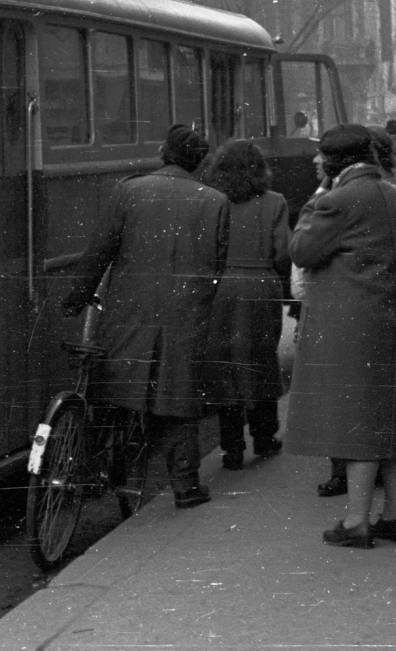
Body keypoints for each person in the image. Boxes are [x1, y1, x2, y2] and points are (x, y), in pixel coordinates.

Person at [62, 125, 228, 509]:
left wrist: (76, 298)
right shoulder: (216, 201)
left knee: (113, 389)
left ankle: (92, 474)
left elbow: (100, 251)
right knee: (177, 396)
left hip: (127, 313)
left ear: (162, 153)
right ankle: (185, 488)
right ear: (200, 161)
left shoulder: (129, 190)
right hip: (184, 315)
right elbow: (215, 268)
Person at [286, 124, 396, 548]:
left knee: (357, 422)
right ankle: (395, 516)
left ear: (332, 160)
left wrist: (316, 198)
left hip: (352, 328)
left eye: (320, 156)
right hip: (395, 322)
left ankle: (356, 522)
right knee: (393, 417)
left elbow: (301, 251)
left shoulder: (336, 201)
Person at [201, 140, 291, 470]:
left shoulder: (213, 200)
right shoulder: (275, 202)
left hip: (222, 287)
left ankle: (232, 448)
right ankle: (265, 437)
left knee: (226, 364)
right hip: (262, 286)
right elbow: (283, 251)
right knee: (262, 359)